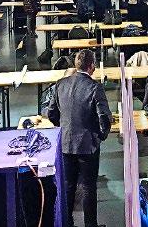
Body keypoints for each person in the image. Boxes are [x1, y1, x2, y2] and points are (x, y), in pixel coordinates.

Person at [46, 49, 112, 227]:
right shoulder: (95, 87)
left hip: (66, 144)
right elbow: (105, 118)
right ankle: (90, 225)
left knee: (68, 186)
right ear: (92, 66)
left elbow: (51, 113)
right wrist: (100, 136)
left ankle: (67, 223)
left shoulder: (60, 84)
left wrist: (64, 128)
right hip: (88, 145)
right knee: (88, 187)